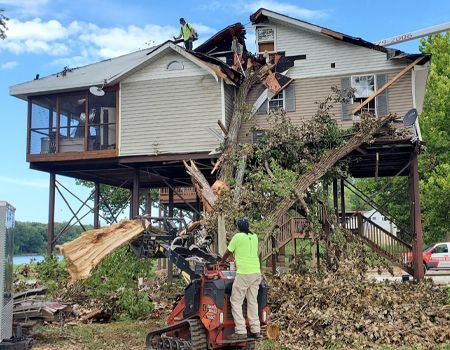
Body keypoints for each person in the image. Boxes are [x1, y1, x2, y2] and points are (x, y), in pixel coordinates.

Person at [222, 218, 262, 340]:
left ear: (238, 227)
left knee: (236, 301)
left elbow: (228, 251)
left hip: (244, 273)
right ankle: (256, 330)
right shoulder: (254, 236)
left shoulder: (238, 237)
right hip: (256, 272)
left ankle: (240, 331)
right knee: (252, 301)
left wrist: (222, 261)